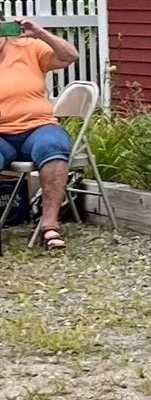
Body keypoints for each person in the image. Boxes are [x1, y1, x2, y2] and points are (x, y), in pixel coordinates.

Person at [0, 16, 85, 251]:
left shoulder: (28, 47)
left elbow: (70, 57)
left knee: (53, 148)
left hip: (38, 126)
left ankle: (49, 226)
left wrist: (40, 33)